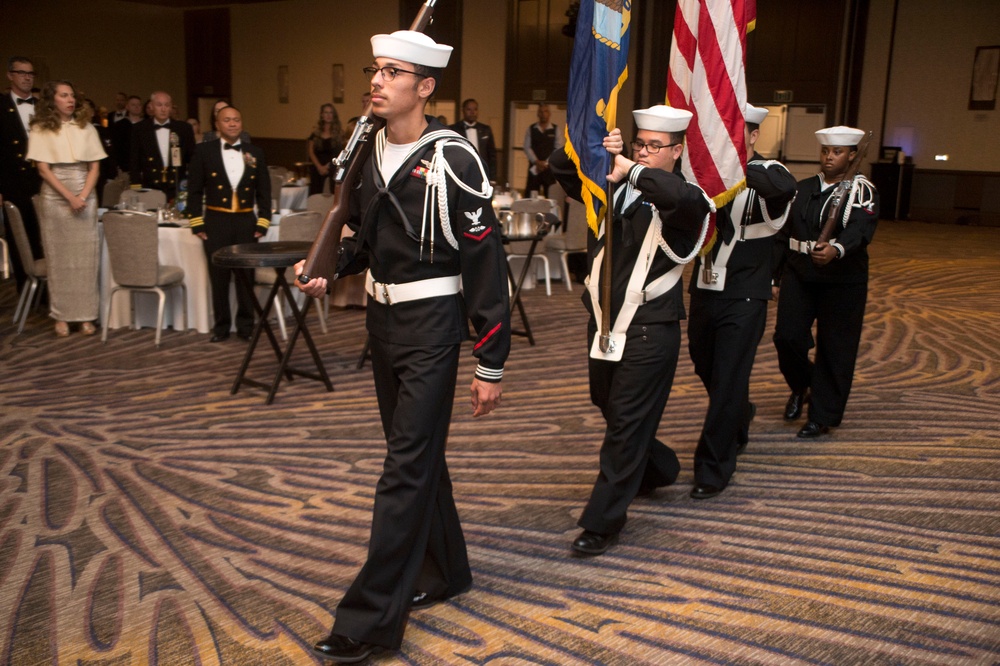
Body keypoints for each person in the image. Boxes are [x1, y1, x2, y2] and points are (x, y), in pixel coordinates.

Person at [296, 29, 509, 663]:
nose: (378, 80)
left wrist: (490, 359)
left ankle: (367, 621)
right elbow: (363, 234)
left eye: (394, 72)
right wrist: (330, 266)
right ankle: (445, 572)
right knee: (413, 457)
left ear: (426, 86)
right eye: (376, 69)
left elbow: (484, 261)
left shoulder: (453, 157)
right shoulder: (364, 151)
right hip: (382, 327)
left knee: (402, 471)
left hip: (434, 327)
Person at [550, 105, 713, 556]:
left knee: (624, 423)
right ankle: (658, 466)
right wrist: (597, 141)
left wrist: (634, 173)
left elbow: (679, 200)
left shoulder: (687, 198)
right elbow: (561, 165)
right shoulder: (609, 189)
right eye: (640, 144)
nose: (643, 153)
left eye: (653, 147)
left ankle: (603, 521)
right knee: (607, 404)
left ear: (677, 151)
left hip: (648, 330)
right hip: (602, 324)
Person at [686, 104, 797, 499]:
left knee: (729, 377)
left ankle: (713, 468)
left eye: (739, 132)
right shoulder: (703, 174)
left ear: (752, 136)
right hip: (703, 287)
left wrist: (731, 163)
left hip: (745, 293)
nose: (730, 137)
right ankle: (738, 412)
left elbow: (783, 190)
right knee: (706, 366)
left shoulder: (769, 171)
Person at [773, 126, 879, 438]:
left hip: (843, 279)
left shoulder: (862, 191)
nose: (830, 157)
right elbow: (784, 234)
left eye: (837, 152)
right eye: (826, 152)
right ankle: (803, 384)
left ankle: (822, 415)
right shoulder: (803, 188)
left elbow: (861, 228)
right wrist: (774, 276)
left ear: (851, 155)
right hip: (799, 273)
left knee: (836, 348)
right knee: (787, 337)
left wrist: (837, 248)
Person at [26, 80, 106, 337]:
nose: (70, 100)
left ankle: (85, 316)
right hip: (55, 197)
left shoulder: (87, 128)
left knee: (85, 259)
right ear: (52, 100)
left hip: (85, 195)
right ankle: (61, 315)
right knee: (59, 259)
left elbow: (94, 167)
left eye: (72, 95)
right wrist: (69, 197)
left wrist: (82, 195)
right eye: (64, 95)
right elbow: (43, 169)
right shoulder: (40, 128)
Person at [187, 105, 271, 342]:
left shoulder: (255, 152)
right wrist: (197, 223)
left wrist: (263, 221)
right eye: (227, 120)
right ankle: (221, 327)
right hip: (216, 220)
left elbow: (264, 191)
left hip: (246, 220)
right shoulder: (204, 151)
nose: (233, 124)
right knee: (219, 276)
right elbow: (193, 191)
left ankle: (246, 326)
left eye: (236, 119)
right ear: (217, 125)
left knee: (247, 276)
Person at [1, 56, 44, 293]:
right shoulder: (1, 106)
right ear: (10, 75)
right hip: (13, 182)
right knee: (20, 237)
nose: (27, 77)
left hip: (43, 180)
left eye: (30, 73)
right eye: (21, 73)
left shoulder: (43, 107)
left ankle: (46, 291)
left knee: (43, 235)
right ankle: (26, 289)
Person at [129, 91, 195, 200]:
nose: (163, 109)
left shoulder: (184, 128)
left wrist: (191, 183)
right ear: (151, 107)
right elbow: (134, 160)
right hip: (150, 185)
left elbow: (192, 158)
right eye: (159, 105)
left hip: (177, 185)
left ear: (171, 107)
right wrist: (136, 186)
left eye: (167, 105)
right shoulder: (139, 129)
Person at [450, 98, 497, 181]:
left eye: (475, 109)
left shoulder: (486, 130)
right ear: (463, 110)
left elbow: (492, 155)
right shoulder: (454, 129)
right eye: (469, 109)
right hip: (461, 172)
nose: (472, 112)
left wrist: (492, 178)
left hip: (481, 172)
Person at [523, 102, 563, 197]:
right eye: (541, 112)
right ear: (538, 114)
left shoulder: (556, 129)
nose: (543, 114)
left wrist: (545, 163)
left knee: (550, 196)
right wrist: (536, 162)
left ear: (549, 113)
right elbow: (527, 147)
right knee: (530, 196)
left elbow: (558, 148)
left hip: (549, 169)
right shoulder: (531, 129)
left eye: (545, 111)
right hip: (534, 168)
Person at [306, 103, 343, 195]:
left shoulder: (339, 133)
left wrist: (328, 166)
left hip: (332, 168)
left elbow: (340, 153)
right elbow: (311, 151)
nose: (328, 115)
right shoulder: (315, 133)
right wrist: (319, 167)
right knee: (315, 195)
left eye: (331, 113)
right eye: (326, 113)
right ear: (322, 115)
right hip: (317, 167)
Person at [110, 94, 144, 171]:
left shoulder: (147, 125)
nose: (137, 107)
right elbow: (116, 147)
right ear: (127, 107)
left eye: (139, 105)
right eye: (133, 105)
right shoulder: (120, 125)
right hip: (125, 165)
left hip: (143, 165)